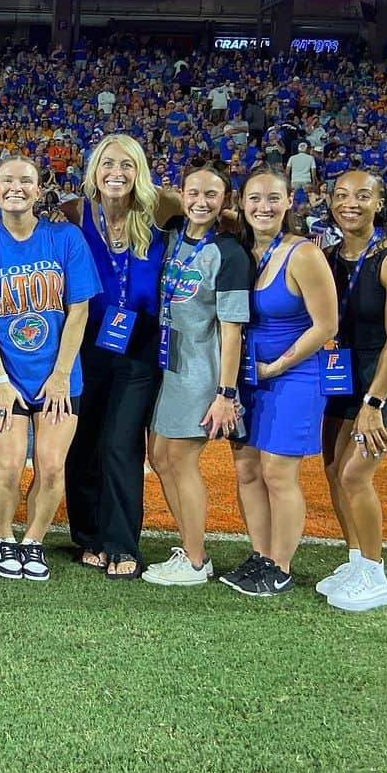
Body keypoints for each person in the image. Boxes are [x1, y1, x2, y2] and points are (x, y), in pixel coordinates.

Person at [0, 154, 99, 581]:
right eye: (7, 181)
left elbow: (79, 312)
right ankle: (2, 538)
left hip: (60, 375)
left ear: (39, 190)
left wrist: (60, 376)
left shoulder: (66, 238)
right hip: (5, 377)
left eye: (26, 181)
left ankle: (33, 540)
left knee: (52, 465)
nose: (16, 187)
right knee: (9, 463)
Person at [62, 134, 181, 580]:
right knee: (83, 438)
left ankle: (121, 541)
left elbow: (219, 218)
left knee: (120, 441)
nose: (117, 173)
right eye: (108, 164)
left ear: (140, 171)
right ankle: (88, 535)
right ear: (94, 171)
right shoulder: (76, 212)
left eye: (127, 165)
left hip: (141, 342)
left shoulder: (163, 207)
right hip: (87, 338)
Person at [222, 164, 338, 596]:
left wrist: (278, 366)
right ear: (242, 204)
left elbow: (325, 325)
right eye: (254, 198)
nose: (263, 206)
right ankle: (259, 555)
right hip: (249, 376)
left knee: (277, 473)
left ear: (290, 202)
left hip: (295, 376)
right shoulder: (241, 250)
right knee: (247, 469)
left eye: (273, 198)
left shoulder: (303, 254)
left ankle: (281, 565)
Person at [318, 171, 387, 611]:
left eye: (363, 196)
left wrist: (374, 404)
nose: (351, 203)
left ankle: (376, 576)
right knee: (332, 470)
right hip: (345, 373)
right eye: (341, 195)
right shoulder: (327, 256)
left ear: (379, 203)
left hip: (386, 378)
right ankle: (357, 559)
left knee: (355, 474)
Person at [145, 162, 252, 587]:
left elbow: (232, 329)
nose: (201, 202)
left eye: (212, 194)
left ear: (226, 201)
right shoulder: (170, 234)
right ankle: (190, 547)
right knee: (159, 457)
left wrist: (225, 392)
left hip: (202, 370)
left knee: (179, 459)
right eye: (194, 193)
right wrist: (174, 194)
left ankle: (194, 560)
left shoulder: (229, 253)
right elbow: (149, 195)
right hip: (169, 365)